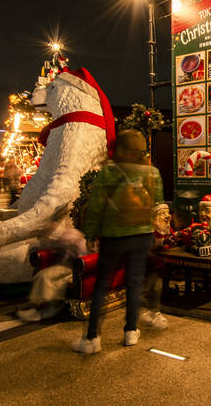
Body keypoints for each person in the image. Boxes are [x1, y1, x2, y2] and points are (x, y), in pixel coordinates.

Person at [72, 129, 163, 355]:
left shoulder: (109, 172)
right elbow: (158, 203)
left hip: (114, 236)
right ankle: (130, 332)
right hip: (142, 235)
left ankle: (92, 338)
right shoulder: (152, 173)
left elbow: (95, 207)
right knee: (134, 283)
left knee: (102, 284)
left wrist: (90, 234)